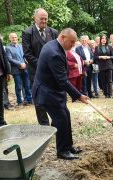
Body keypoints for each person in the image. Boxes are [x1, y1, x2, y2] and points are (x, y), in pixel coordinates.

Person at [32, 28, 88, 160]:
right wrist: (79, 95)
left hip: (54, 91)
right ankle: (62, 151)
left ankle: (68, 146)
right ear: (63, 38)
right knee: (61, 119)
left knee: (65, 115)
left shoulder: (54, 45)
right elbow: (63, 80)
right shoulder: (54, 53)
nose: (73, 45)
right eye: (72, 42)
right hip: (47, 93)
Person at [22, 8, 58, 126]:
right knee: (39, 100)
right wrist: (43, 66)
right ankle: (44, 126)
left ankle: (55, 122)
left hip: (52, 74)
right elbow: (28, 54)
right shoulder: (27, 33)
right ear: (35, 19)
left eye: (46, 19)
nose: (44, 21)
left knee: (53, 97)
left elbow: (58, 51)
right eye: (41, 19)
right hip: (36, 73)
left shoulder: (53, 32)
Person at [5, 33, 32, 106]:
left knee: (27, 85)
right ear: (10, 39)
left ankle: (29, 100)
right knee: (18, 86)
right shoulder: (8, 48)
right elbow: (9, 59)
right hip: (16, 70)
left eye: (15, 37)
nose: (14, 38)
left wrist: (25, 63)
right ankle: (19, 101)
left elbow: (25, 56)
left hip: (25, 68)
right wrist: (20, 64)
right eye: (13, 37)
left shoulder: (21, 46)